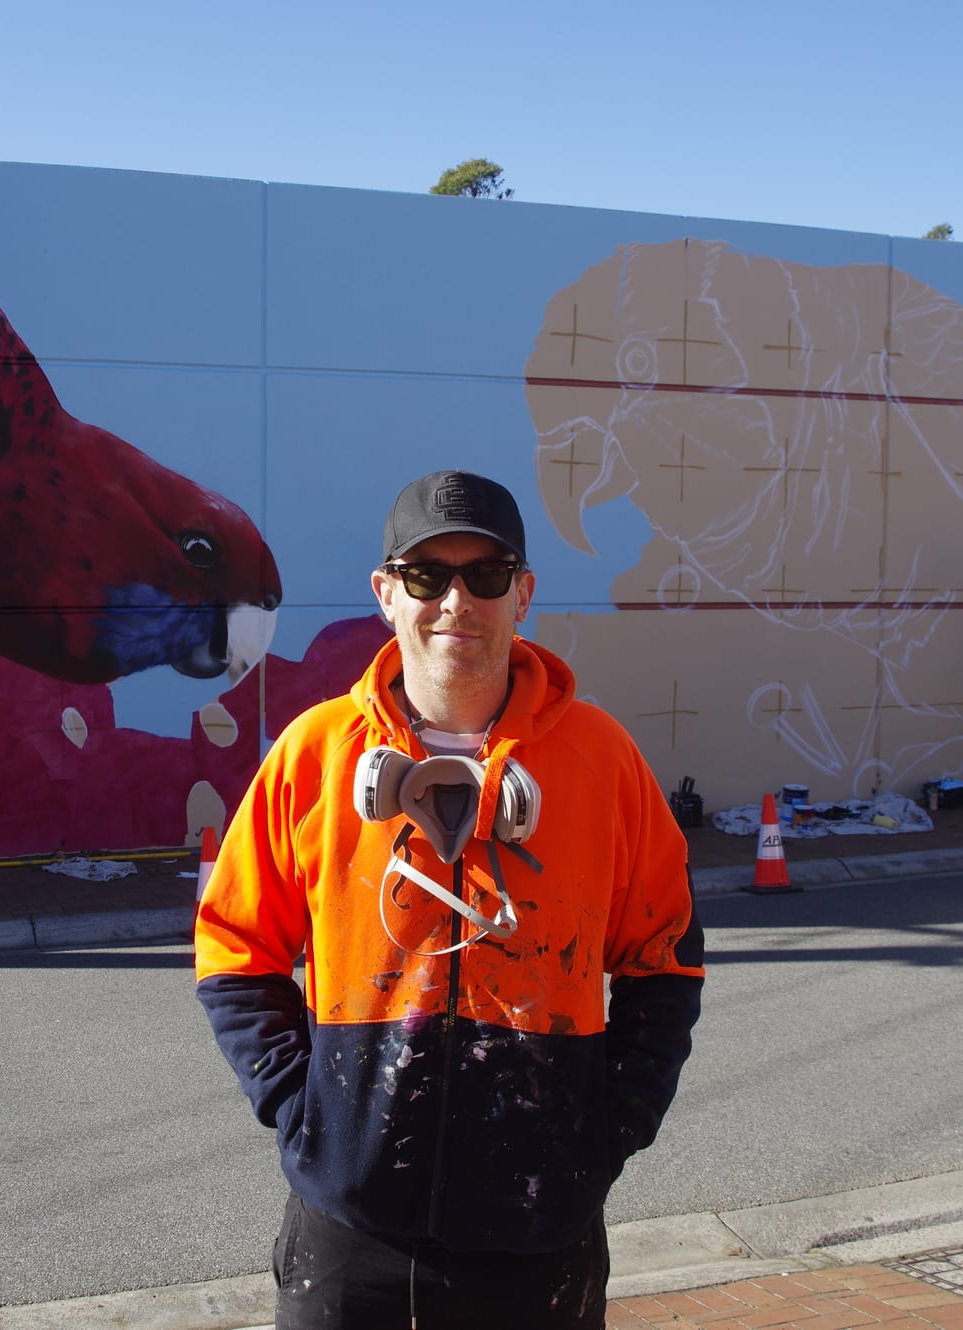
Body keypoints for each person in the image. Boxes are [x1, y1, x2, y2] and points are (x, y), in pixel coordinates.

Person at [196, 470, 704, 1329]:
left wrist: (603, 1137)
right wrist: (308, 1116)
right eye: (427, 575)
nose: (456, 601)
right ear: (386, 594)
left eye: (487, 575)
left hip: (540, 1232)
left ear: (523, 595)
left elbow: (667, 959)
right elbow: (233, 951)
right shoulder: (314, 756)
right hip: (349, 1235)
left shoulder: (602, 759)